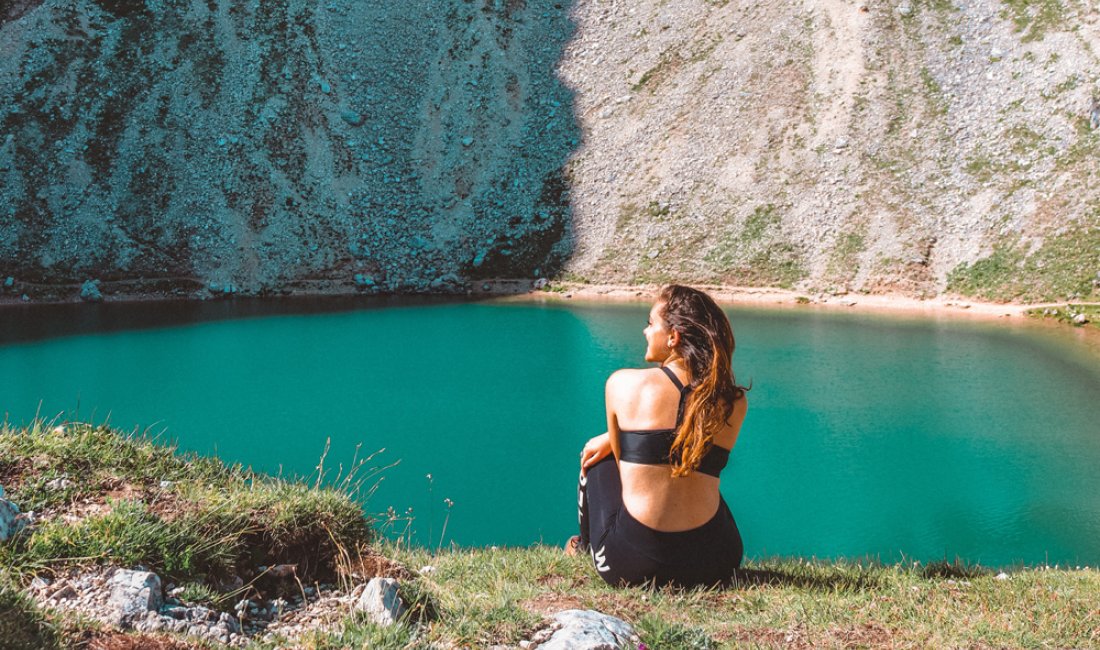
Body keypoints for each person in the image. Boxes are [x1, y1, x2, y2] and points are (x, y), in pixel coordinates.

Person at [568, 284, 749, 588]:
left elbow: (622, 456)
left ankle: (586, 547)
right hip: (716, 563)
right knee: (700, 470)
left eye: (651, 323)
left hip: (634, 565)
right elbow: (681, 434)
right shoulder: (733, 402)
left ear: (673, 337)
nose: (645, 331)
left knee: (598, 460)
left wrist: (610, 441)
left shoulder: (621, 384)